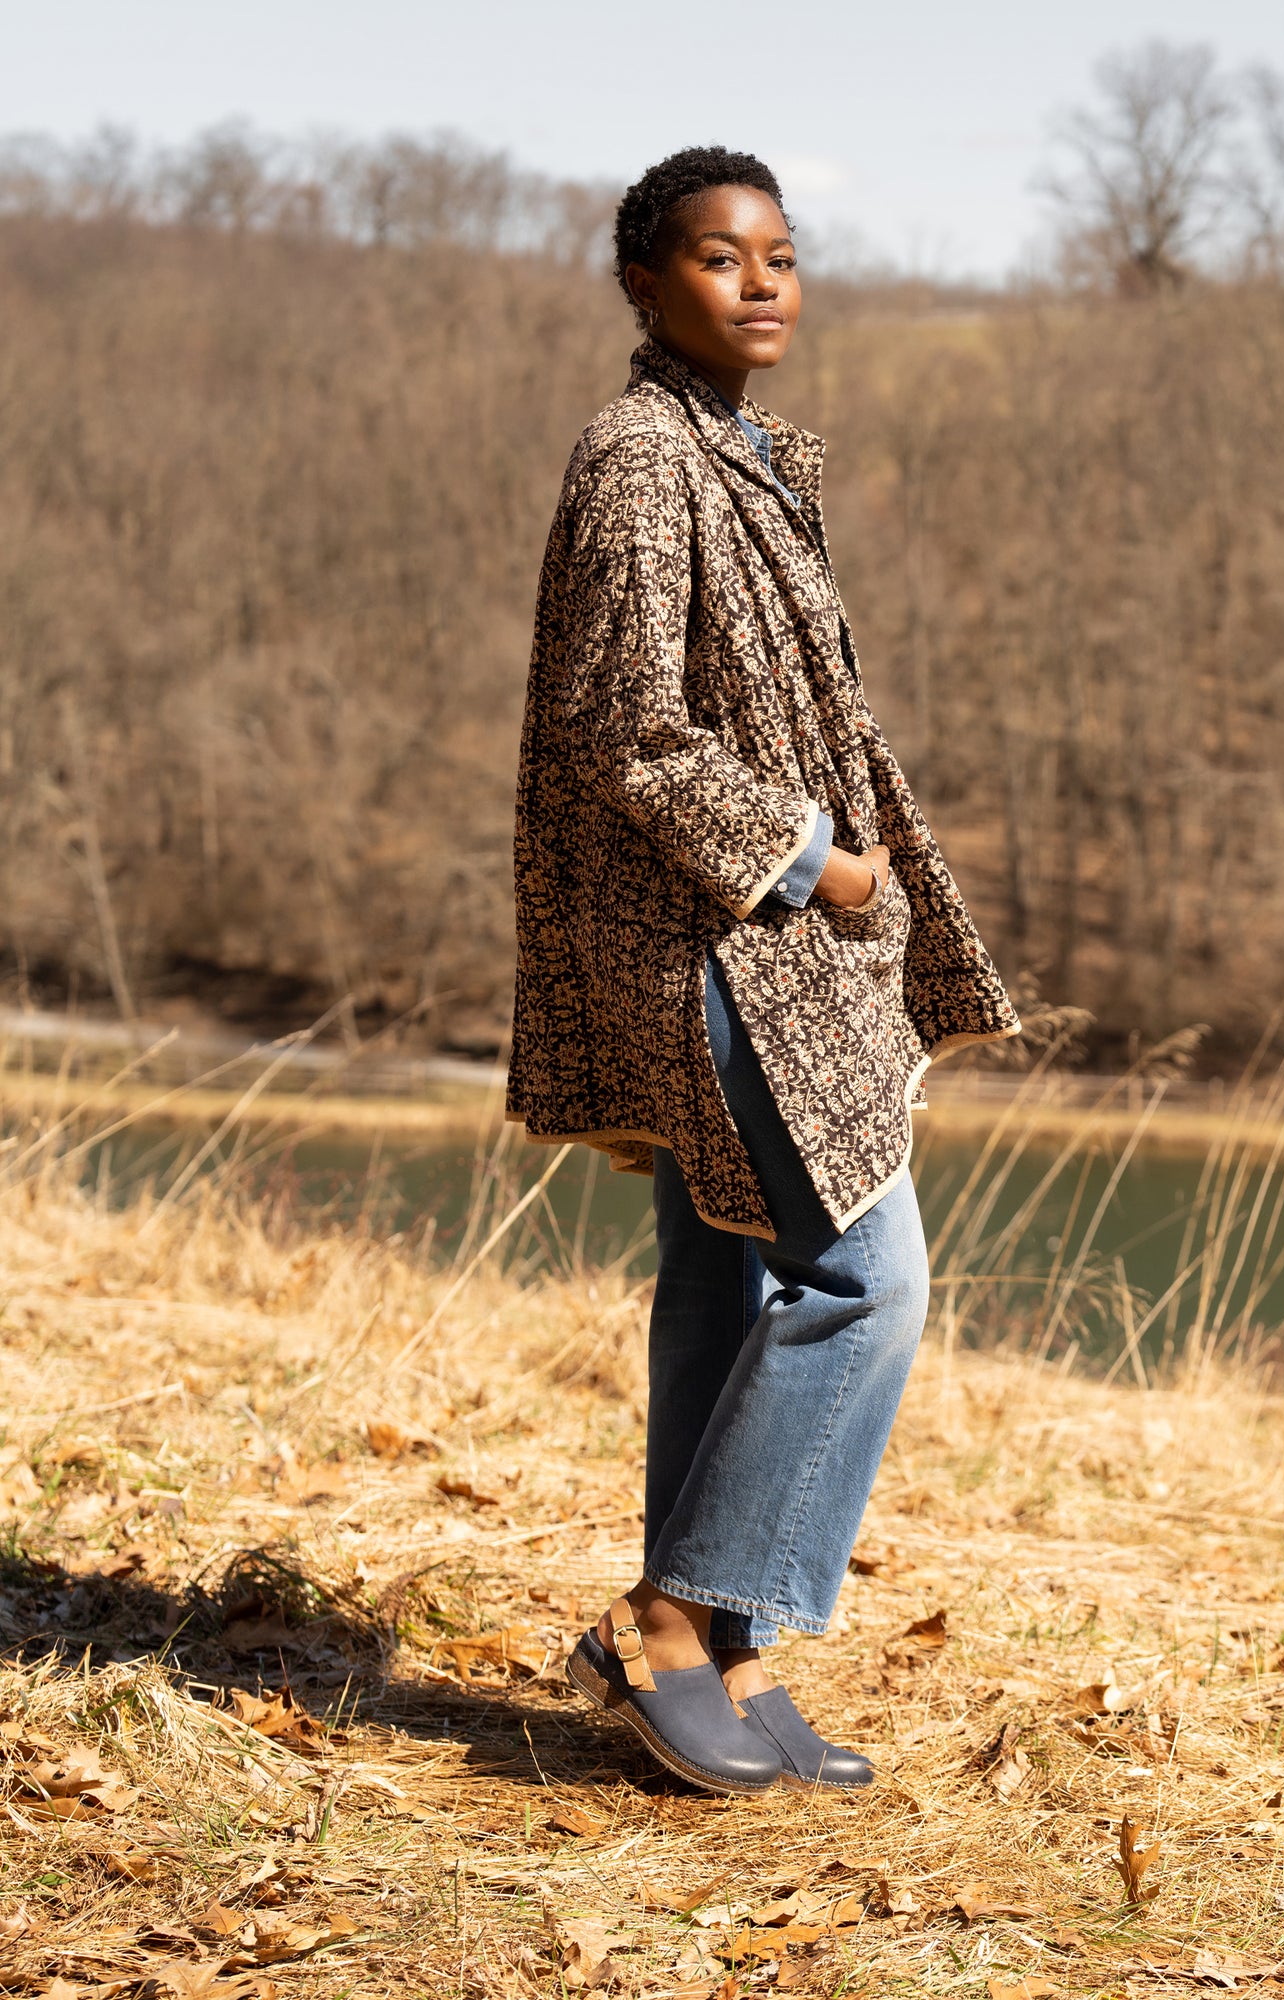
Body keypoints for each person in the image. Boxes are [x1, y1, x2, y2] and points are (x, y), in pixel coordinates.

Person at [506, 146, 1018, 1794]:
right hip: (720, 934)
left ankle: (710, 1658)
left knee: (731, 1274)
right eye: (722, 258)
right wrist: (821, 858)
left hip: (757, 932)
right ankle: (671, 1614)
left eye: (783, 253)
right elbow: (624, 728)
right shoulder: (642, 462)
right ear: (647, 285)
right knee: (867, 1279)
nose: (765, 280)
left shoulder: (737, 456)